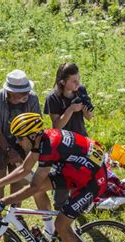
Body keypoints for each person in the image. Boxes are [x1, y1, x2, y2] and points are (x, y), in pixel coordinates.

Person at [0, 113, 107, 242]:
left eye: (19, 137)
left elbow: (32, 186)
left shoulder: (49, 146)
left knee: (62, 223)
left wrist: (3, 201)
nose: (16, 142)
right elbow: (25, 169)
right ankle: (51, 235)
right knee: (41, 190)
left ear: (32, 136)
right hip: (75, 172)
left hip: (92, 181)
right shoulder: (42, 139)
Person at [0, 69, 42, 200]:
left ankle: (15, 213)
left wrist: (22, 148)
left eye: (27, 91)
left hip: (22, 143)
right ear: (11, 93)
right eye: (22, 93)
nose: (27, 94)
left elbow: (35, 125)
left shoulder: (32, 98)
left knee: (19, 180)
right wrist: (9, 151)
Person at [44, 62, 94, 211]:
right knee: (63, 175)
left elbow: (90, 117)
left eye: (78, 79)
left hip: (81, 139)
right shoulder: (53, 98)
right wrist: (71, 109)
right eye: (73, 81)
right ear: (63, 82)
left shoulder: (81, 91)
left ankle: (78, 204)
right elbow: (57, 126)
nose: (77, 83)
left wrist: (86, 109)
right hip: (63, 143)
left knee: (81, 172)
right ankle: (59, 206)